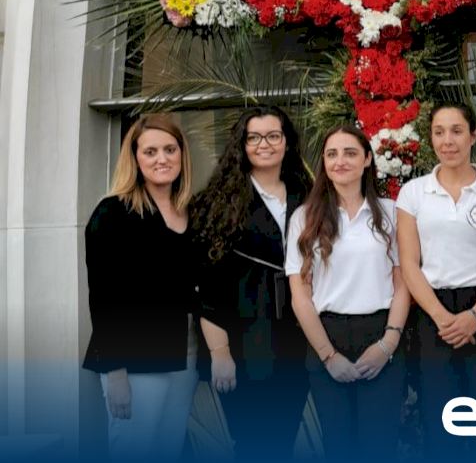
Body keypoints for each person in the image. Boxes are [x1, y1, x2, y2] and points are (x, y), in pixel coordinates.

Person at [191, 106, 312, 460]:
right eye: (254, 137)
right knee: (251, 444)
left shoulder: (307, 195)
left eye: (273, 136)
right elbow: (207, 289)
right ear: (241, 145)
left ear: (286, 142)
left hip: (297, 339)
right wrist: (220, 353)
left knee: (283, 440)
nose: (264, 144)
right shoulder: (219, 203)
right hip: (246, 341)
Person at [284, 124, 411, 458]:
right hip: (327, 335)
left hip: (381, 332)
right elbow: (301, 296)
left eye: (350, 153)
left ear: (367, 159)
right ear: (324, 163)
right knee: (338, 446)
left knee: (380, 446)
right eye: (332, 154)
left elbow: (403, 285)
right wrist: (328, 355)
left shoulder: (392, 212)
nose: (340, 161)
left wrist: (388, 344)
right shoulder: (304, 218)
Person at [83, 113, 201, 460]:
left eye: (170, 149)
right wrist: (114, 370)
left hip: (185, 355)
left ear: (182, 154)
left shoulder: (191, 213)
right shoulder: (112, 213)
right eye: (150, 151)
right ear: (134, 158)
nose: (162, 159)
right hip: (134, 359)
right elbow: (102, 297)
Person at [397, 102, 476, 456]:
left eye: (457, 131)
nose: (448, 140)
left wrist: (475, 315)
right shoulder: (414, 192)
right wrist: (442, 318)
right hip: (433, 314)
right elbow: (409, 263)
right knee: (439, 423)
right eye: (439, 132)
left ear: (473, 135)